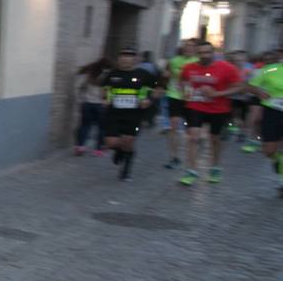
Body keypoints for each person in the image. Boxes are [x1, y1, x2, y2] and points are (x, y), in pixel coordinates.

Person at [178, 40, 244, 186]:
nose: (204, 56)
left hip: (219, 108)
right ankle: (191, 171)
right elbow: (182, 81)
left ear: (213, 52)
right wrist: (185, 92)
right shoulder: (189, 67)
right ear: (197, 53)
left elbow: (239, 87)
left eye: (207, 52)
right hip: (195, 106)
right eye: (201, 53)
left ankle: (215, 167)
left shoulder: (227, 68)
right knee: (193, 137)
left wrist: (218, 93)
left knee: (215, 139)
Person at [101, 47, 154, 180]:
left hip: (134, 115)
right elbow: (104, 89)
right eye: (122, 57)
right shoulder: (111, 74)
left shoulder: (144, 74)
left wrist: (149, 99)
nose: (125, 59)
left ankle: (126, 170)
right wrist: (105, 99)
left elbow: (155, 89)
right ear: (118, 59)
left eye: (128, 57)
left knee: (128, 142)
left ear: (135, 60)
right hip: (114, 113)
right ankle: (119, 150)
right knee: (111, 142)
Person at [245, 48, 283, 197]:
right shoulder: (271, 69)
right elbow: (250, 85)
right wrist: (260, 92)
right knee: (269, 151)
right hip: (272, 111)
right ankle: (278, 161)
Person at [163, 39, 198, 169]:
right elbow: (166, 73)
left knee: (191, 130)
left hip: (192, 98)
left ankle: (191, 157)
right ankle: (174, 156)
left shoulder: (198, 62)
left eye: (192, 46)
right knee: (174, 125)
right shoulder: (174, 60)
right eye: (186, 46)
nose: (189, 48)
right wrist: (166, 76)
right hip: (175, 95)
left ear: (195, 49)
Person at [73, 58, 110, 156]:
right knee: (101, 128)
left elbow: (78, 87)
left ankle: (80, 147)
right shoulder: (106, 76)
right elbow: (108, 92)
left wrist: (80, 100)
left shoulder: (88, 75)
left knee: (85, 125)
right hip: (101, 105)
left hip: (87, 104)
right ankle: (99, 149)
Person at [227, 50, 255, 143]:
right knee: (234, 114)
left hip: (245, 96)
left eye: (240, 59)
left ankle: (241, 133)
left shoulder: (249, 69)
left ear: (245, 59)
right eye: (236, 60)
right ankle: (233, 129)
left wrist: (245, 87)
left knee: (244, 116)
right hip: (233, 95)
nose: (238, 62)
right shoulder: (231, 68)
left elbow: (251, 82)